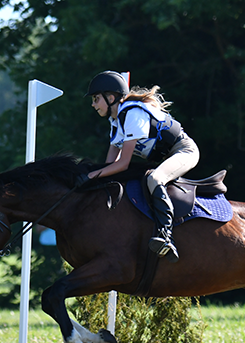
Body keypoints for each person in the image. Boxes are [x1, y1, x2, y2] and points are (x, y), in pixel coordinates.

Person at [84, 71, 200, 263]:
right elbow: (108, 166)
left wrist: (90, 177)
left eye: (96, 99)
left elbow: (123, 164)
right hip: (166, 157)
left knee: (154, 178)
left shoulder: (132, 114)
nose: (93, 104)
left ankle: (165, 237)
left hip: (184, 151)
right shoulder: (116, 123)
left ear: (110, 97)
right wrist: (91, 179)